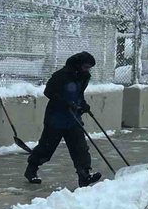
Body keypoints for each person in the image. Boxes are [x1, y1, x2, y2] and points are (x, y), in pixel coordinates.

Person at [25, 51, 102, 187]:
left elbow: (79, 94)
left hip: (73, 119)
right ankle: (31, 169)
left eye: (89, 67)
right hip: (56, 118)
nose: (87, 69)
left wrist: (82, 104)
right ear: (78, 64)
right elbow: (48, 92)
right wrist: (64, 102)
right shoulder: (61, 75)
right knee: (46, 148)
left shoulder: (84, 76)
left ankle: (84, 175)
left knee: (80, 148)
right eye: (85, 66)